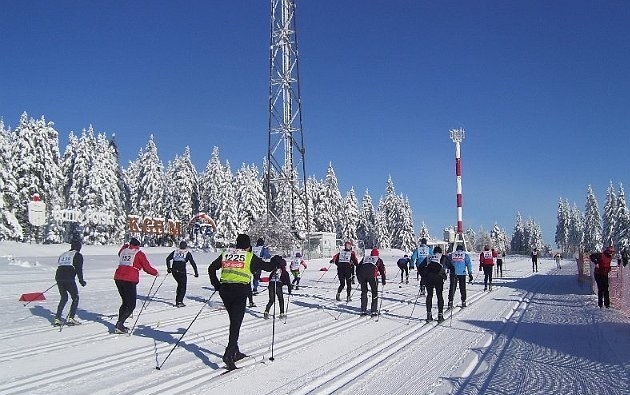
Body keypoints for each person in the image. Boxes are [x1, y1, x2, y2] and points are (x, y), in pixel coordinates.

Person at [208, 233, 278, 370]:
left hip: (225, 291)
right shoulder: (249, 256)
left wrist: (216, 285)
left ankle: (235, 351)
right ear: (247, 246)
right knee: (236, 323)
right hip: (239, 291)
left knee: (234, 320)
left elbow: (211, 268)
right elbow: (268, 267)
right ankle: (229, 354)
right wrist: (276, 261)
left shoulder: (226, 254)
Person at [114, 237, 159, 334]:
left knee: (125, 302)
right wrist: (155, 272)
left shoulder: (124, 250)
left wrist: (125, 246)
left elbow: (120, 253)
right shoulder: (139, 253)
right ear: (138, 245)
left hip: (118, 277)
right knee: (131, 304)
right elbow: (146, 267)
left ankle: (119, 323)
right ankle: (120, 324)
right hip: (129, 279)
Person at [53, 239, 86, 326]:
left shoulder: (63, 254)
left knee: (64, 298)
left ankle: (57, 318)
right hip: (69, 279)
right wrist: (81, 281)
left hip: (59, 278)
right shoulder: (77, 255)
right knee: (75, 298)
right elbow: (79, 269)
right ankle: (71, 318)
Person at [166, 240, 199, 307]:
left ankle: (178, 300)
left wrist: (169, 268)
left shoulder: (175, 252)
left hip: (174, 271)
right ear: (186, 246)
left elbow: (168, 259)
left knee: (179, 285)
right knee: (183, 286)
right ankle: (179, 301)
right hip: (182, 271)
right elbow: (192, 263)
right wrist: (196, 272)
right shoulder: (187, 253)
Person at [357, 248, 386, 316]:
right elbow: (382, 271)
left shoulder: (365, 258)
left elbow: (358, 267)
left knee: (364, 292)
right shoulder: (378, 259)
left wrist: (359, 278)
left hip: (362, 275)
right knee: (374, 292)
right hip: (372, 276)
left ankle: (363, 310)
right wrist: (383, 280)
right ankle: (374, 310)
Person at [424, 246, 448, 323]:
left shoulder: (429, 257)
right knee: (439, 295)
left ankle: (429, 315)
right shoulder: (442, 257)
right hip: (439, 277)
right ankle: (440, 315)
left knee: (429, 295)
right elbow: (450, 265)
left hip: (429, 277)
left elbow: (422, 266)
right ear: (440, 252)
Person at [446, 244, 473, 309]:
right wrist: (470, 273)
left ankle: (450, 301)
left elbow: (447, 262)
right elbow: (468, 264)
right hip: (462, 273)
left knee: (452, 287)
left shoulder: (452, 255)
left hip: (453, 273)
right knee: (462, 288)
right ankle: (463, 301)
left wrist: (447, 269)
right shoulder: (465, 255)